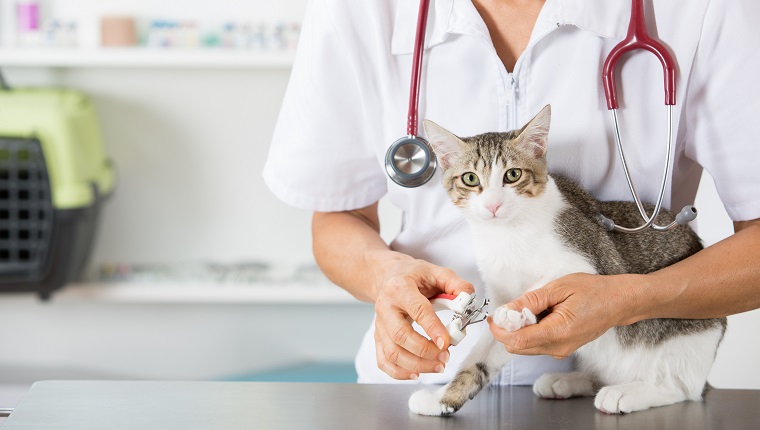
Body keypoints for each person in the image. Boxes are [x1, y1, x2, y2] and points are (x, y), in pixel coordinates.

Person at [263, 0, 760, 384]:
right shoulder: (359, 11)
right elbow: (336, 218)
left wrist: (628, 300)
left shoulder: (700, 10)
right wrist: (386, 276)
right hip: (426, 382)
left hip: (617, 381)